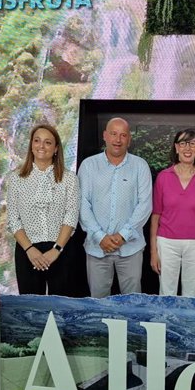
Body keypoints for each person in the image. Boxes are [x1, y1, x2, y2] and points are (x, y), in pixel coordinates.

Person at [78, 117, 152, 298]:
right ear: (105, 136)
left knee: (133, 303)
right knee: (98, 303)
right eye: (113, 134)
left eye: (123, 135)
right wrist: (100, 236)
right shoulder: (88, 166)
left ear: (129, 139)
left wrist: (122, 235)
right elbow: (81, 204)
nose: (118, 140)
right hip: (97, 248)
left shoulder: (140, 166)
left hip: (130, 249)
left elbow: (145, 204)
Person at [6, 124, 80, 295]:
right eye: (37, 141)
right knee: (32, 313)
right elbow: (13, 219)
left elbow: (71, 216)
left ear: (55, 149)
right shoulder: (16, 179)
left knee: (62, 310)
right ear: (31, 145)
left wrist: (57, 250)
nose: (41, 146)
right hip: (28, 252)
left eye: (48, 142)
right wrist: (30, 250)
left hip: (61, 252)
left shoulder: (69, 179)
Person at [150, 129, 195, 297]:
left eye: (192, 143)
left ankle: (187, 324)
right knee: (166, 294)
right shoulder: (163, 177)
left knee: (191, 294)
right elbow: (156, 215)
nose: (188, 148)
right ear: (176, 147)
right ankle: (165, 323)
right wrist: (153, 252)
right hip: (166, 242)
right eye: (183, 143)